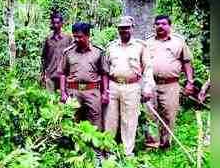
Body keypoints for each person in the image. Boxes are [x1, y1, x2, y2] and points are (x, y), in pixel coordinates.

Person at [102, 16, 155, 156]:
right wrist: (105, 90)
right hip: (113, 86)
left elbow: (148, 68)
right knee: (110, 120)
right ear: (117, 29)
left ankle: (127, 153)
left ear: (132, 28)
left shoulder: (140, 46)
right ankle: (108, 152)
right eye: (121, 28)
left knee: (129, 121)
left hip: (132, 87)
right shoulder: (111, 47)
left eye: (126, 27)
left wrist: (147, 88)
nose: (123, 30)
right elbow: (105, 70)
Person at [144, 15, 195, 149]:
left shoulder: (178, 42)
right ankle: (152, 145)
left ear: (169, 26)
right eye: (157, 24)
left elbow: (187, 62)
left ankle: (166, 144)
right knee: (150, 114)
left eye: (164, 24)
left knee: (169, 114)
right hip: (151, 84)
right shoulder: (147, 42)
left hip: (171, 84)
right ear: (154, 26)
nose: (160, 26)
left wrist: (190, 82)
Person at [59, 22, 104, 129]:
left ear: (87, 35)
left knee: (95, 122)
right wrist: (63, 92)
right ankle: (71, 145)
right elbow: (62, 73)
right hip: (73, 92)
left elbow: (104, 73)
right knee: (71, 121)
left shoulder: (98, 52)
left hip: (92, 92)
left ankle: (94, 145)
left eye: (80, 37)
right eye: (75, 37)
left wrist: (105, 93)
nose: (77, 40)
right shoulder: (68, 52)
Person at [41, 12, 73, 91]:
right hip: (50, 75)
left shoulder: (68, 38)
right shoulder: (48, 39)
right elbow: (44, 57)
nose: (56, 25)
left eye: (58, 23)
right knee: (49, 100)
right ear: (52, 23)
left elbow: (73, 55)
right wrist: (42, 74)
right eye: (54, 23)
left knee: (64, 100)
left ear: (62, 23)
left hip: (64, 76)